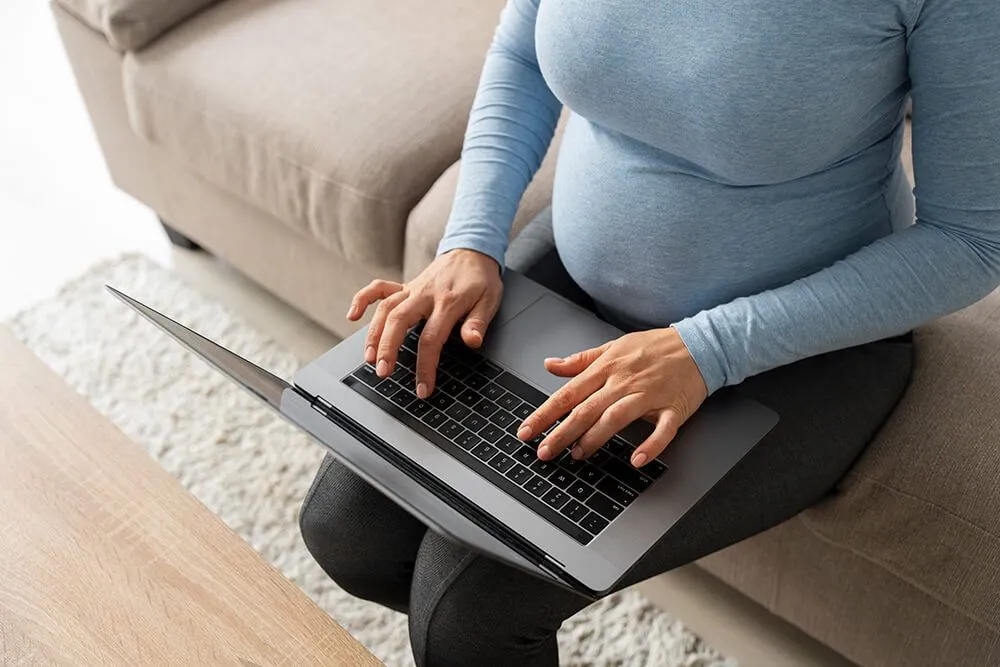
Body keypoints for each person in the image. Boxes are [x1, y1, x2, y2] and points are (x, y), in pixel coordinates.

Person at [299, 0, 1000, 664]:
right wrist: (470, 240)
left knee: (470, 612)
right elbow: (523, 50)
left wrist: (706, 350)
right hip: (578, 272)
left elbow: (972, 239)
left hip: (800, 341)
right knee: (347, 531)